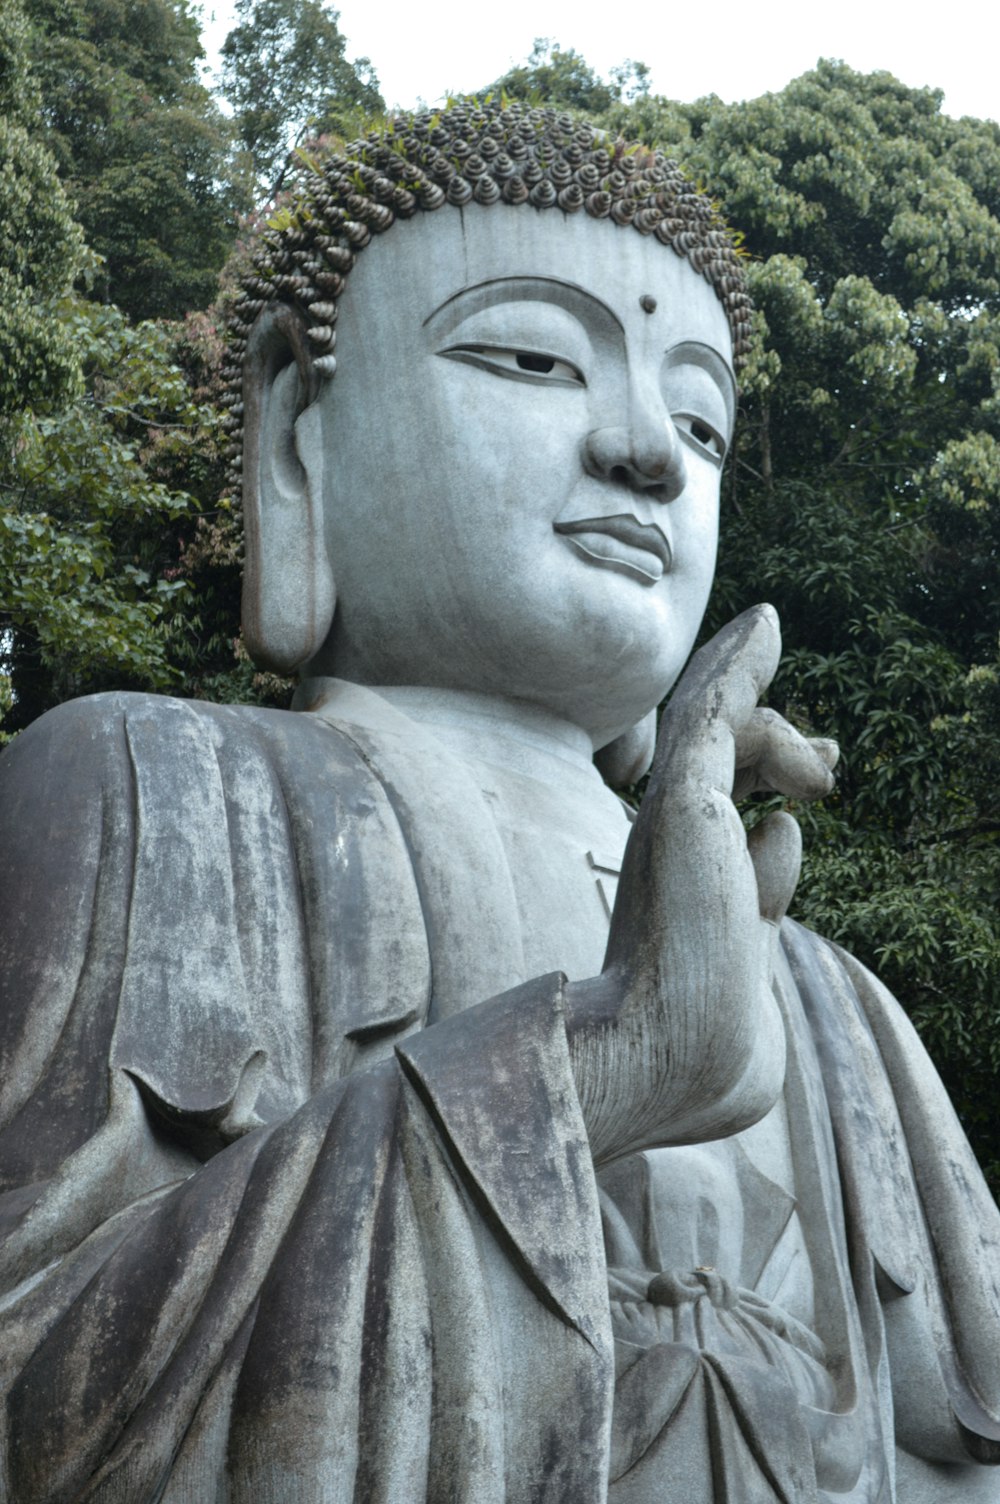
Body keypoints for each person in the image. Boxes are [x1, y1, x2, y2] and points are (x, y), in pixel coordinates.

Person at [1, 102, 998, 1503]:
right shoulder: (155, 794)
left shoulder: (843, 1014)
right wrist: (598, 1068)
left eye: (703, 420)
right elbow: (32, 1397)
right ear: (299, 424)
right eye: (533, 357)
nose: (649, 453)